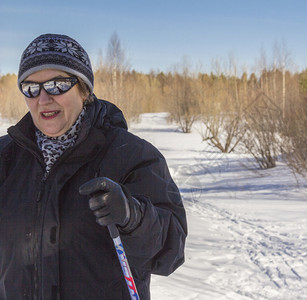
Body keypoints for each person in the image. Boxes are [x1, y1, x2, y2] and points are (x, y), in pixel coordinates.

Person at [0, 33, 187, 299]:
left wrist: (133, 217)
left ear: (84, 90)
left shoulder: (132, 155)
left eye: (57, 85)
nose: (43, 98)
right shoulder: (5, 157)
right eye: (31, 87)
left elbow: (172, 251)